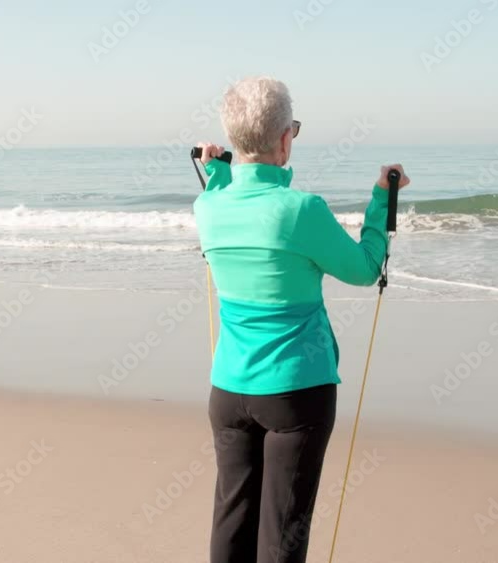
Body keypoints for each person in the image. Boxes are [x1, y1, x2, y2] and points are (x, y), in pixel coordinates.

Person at [193, 76, 410, 563]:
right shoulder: (301, 210)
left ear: (233, 140)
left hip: (229, 392)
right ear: (285, 138)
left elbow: (231, 200)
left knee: (232, 521)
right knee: (282, 535)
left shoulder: (208, 206)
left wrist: (217, 171)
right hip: (296, 394)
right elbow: (363, 268)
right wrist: (381, 199)